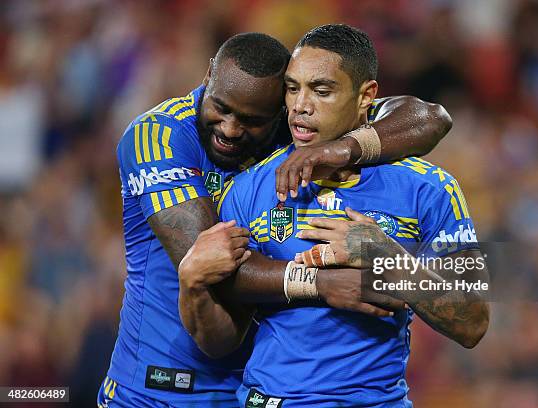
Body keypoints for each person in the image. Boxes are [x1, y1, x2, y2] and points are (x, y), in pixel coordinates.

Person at [99, 32, 453, 407]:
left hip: (251, 388)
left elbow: (431, 118)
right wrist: (320, 284)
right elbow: (214, 267)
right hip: (156, 387)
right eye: (220, 107)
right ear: (208, 77)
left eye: (252, 119)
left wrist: (343, 148)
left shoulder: (299, 123)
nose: (231, 129)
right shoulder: (158, 135)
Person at [184, 24, 489, 407]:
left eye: (321, 90)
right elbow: (219, 340)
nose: (300, 106)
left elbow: (472, 322)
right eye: (293, 88)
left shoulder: (428, 189)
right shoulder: (249, 189)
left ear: (366, 96)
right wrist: (191, 284)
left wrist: (383, 255)